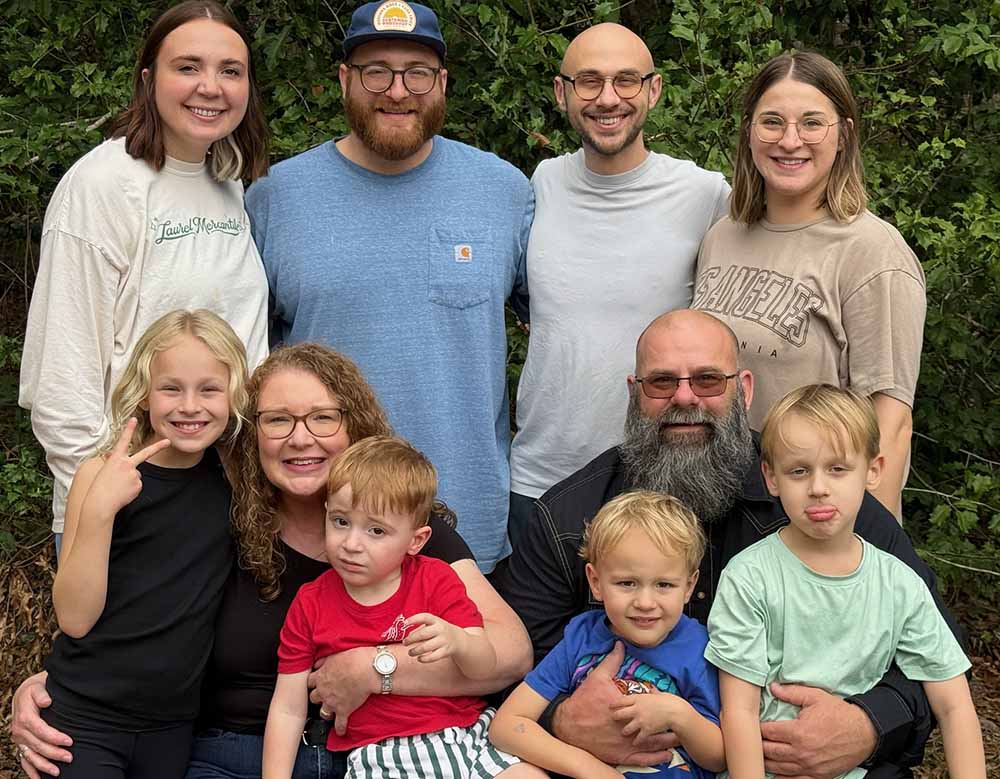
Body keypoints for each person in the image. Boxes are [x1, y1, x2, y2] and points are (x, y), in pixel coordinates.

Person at [12, 343, 533, 779]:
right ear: (250, 432)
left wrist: (379, 668)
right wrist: (51, 689)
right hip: (233, 755)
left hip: (385, 753)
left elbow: (511, 653)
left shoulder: (397, 525)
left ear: (354, 425)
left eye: (323, 417)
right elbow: (130, 616)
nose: (300, 437)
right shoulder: (219, 515)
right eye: (278, 420)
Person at [496, 308, 962, 777]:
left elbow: (942, 652)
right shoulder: (570, 516)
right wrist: (562, 719)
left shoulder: (815, 497)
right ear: (634, 395)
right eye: (661, 383)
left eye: (707, 380)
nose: (684, 398)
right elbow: (508, 661)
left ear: (744, 389)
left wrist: (869, 724)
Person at [245, 0, 533, 572]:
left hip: (464, 526)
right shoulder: (276, 197)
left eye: (417, 72)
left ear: (442, 83)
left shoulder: (504, 191)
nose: (397, 90)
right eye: (376, 70)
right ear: (345, 81)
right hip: (323, 528)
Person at [19, 0, 270, 554]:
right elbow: (60, 382)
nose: (211, 86)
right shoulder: (105, 185)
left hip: (218, 490)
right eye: (187, 67)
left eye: (231, 71)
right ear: (147, 79)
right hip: (128, 502)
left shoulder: (224, 178)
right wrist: (103, 498)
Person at [508, 23, 729, 540]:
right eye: (589, 81)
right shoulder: (539, 186)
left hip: (660, 484)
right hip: (540, 481)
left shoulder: (706, 196)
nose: (608, 98)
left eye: (626, 81)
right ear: (562, 93)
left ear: (654, 89)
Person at [707, 384, 984, 779]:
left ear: (873, 470)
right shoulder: (750, 577)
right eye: (799, 471)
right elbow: (739, 711)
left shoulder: (899, 584)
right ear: (771, 477)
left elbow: (954, 705)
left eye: (838, 468)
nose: (818, 488)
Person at [693, 52, 924, 519]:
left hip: (820, 520)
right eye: (772, 122)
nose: (790, 140)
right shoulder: (723, 235)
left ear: (844, 135)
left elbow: (892, 424)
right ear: (749, 132)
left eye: (813, 123)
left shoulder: (872, 251)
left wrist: (865, 552)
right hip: (723, 508)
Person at [39, 309, 248, 778]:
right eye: (171, 388)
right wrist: (99, 511)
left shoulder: (235, 477)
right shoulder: (101, 474)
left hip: (173, 728)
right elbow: (74, 618)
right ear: (144, 392)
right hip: (85, 719)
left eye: (209, 389)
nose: (190, 406)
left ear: (234, 394)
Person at [263, 436, 541, 779]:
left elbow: (484, 669)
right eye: (340, 521)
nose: (351, 544)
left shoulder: (436, 580)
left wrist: (460, 641)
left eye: (376, 530)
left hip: (469, 735)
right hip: (383, 755)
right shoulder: (311, 602)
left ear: (416, 541)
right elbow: (288, 708)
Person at [491, 491, 724, 778]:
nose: (646, 602)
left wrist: (679, 714)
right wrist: (590, 768)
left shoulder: (700, 648)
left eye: (664, 585)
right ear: (596, 582)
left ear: (689, 586)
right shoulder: (581, 638)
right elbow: (506, 726)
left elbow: (719, 757)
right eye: (627, 583)